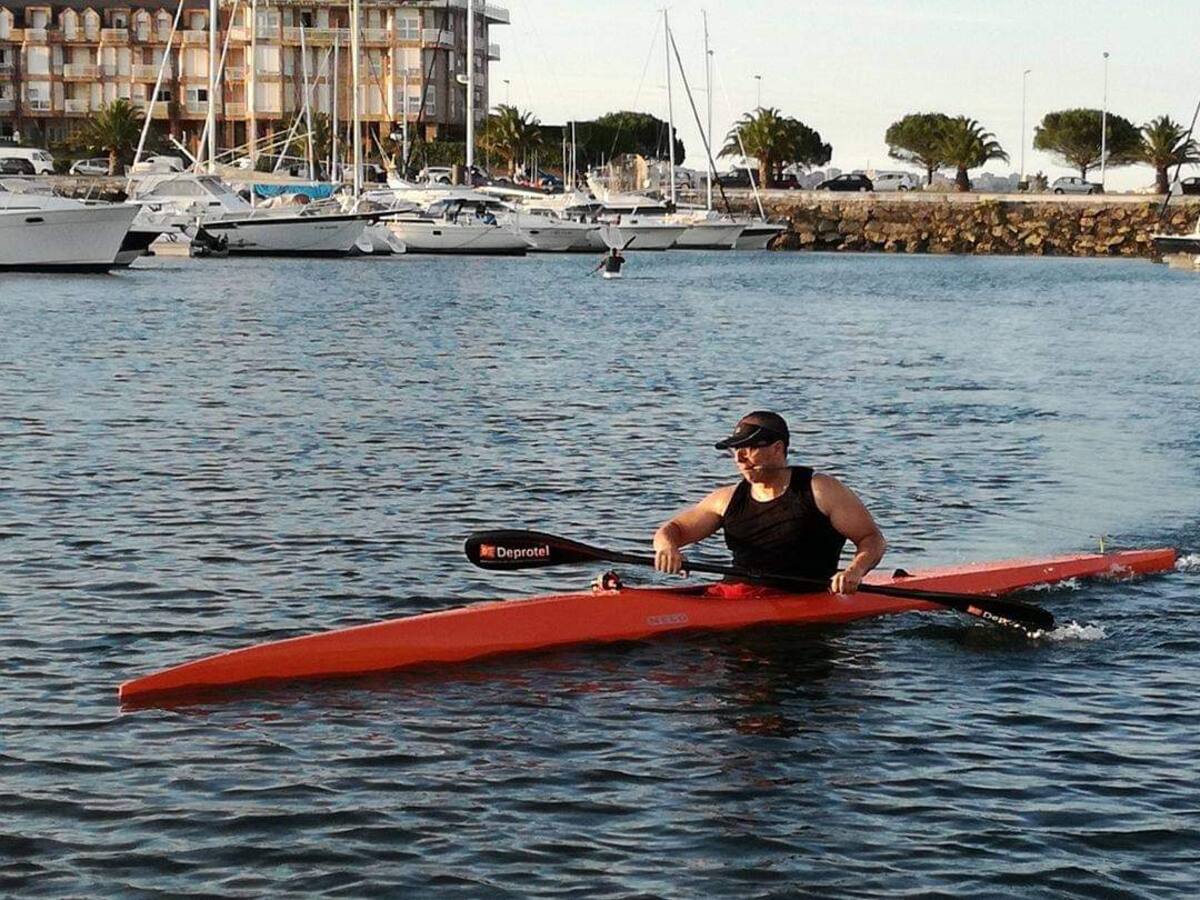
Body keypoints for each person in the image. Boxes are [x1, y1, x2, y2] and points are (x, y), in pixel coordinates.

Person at [652, 411, 886, 594]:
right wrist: (667, 547)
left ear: (777, 449)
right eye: (736, 450)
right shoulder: (726, 498)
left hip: (797, 598)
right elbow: (673, 530)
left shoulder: (820, 490)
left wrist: (854, 571)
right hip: (734, 594)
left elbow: (872, 539)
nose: (740, 458)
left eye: (750, 448)